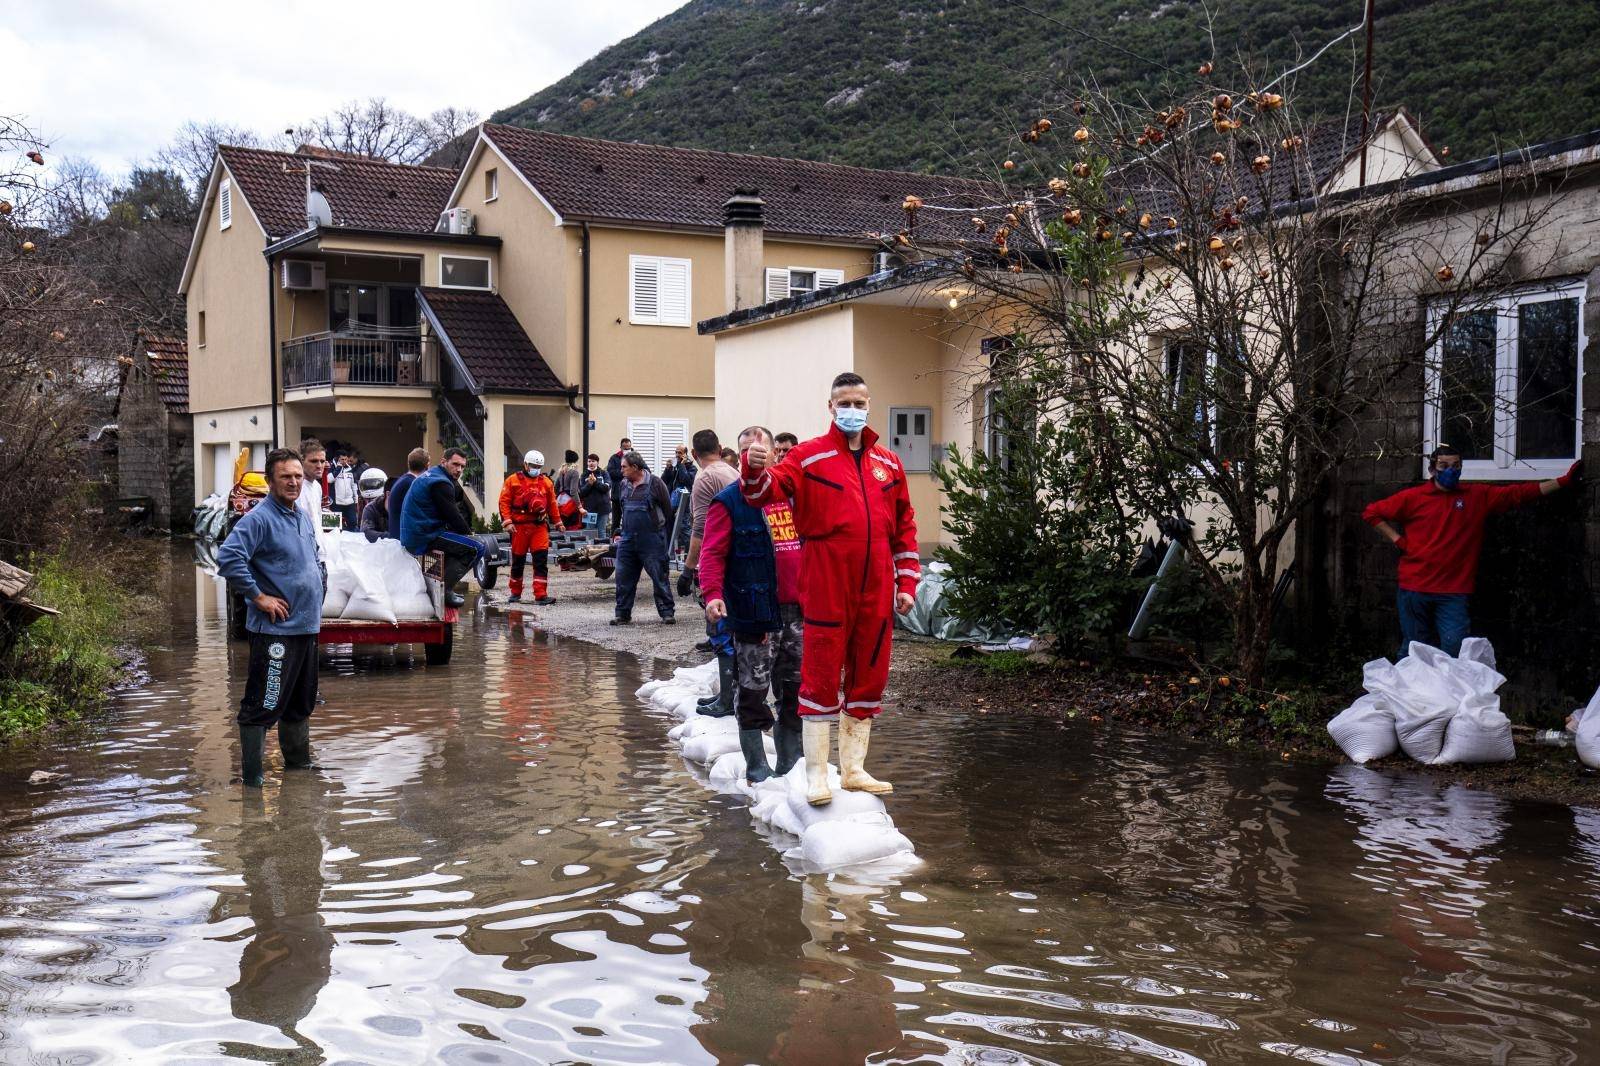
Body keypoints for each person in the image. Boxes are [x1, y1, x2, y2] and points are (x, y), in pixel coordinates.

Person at [743, 372, 920, 807]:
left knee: (870, 671)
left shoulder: (890, 464)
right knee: (820, 671)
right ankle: (817, 774)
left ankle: (855, 770)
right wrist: (753, 464)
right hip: (825, 574)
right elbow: (762, 493)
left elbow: (905, 527)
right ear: (830, 407)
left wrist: (907, 581)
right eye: (845, 402)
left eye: (860, 402)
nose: (853, 410)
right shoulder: (807, 457)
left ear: (869, 404)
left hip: (876, 581)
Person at [1363, 444, 1579, 657]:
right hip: (1414, 587)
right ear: (1432, 469)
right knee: (1414, 648)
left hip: (1453, 591)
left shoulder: (1476, 496)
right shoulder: (1413, 497)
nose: (1450, 471)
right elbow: (1371, 513)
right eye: (1443, 465)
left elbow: (1519, 493)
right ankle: (1404, 692)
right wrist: (1399, 540)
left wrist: (1562, 481)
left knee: (1455, 646)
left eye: (1456, 465)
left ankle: (1445, 691)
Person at [700, 425, 805, 784]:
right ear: (738, 454)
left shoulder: (794, 496)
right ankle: (758, 768)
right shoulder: (729, 501)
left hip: (798, 611)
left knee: (795, 690)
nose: (754, 455)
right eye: (747, 449)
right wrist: (712, 594)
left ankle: (792, 762)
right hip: (755, 611)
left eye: (761, 449)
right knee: (753, 691)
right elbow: (712, 553)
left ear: (776, 453)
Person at [216, 447, 324, 788]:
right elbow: (229, 558)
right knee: (263, 705)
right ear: (270, 480)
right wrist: (259, 597)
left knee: (299, 704)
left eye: (296, 476)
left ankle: (298, 770)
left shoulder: (301, 516)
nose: (293, 483)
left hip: (306, 628)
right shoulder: (259, 519)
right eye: (285, 477)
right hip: (277, 632)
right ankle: (253, 781)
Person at [676, 430, 741, 715]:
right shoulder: (732, 472)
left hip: (724, 562)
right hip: (745, 559)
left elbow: (701, 531)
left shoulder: (704, 479)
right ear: (721, 447)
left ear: (694, 455)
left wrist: (688, 570)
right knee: (741, 632)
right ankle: (739, 697)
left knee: (720, 629)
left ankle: (727, 700)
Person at [399, 447, 482, 608]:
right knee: (476, 548)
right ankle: (444, 590)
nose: (459, 469)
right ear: (444, 462)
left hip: (417, 532)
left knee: (462, 545)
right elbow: (453, 517)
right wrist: (469, 535)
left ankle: (442, 586)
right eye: (455, 464)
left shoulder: (432, 476)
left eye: (462, 466)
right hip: (423, 535)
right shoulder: (441, 483)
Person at [611, 450, 676, 626]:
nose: (621, 470)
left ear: (635, 467)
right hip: (627, 539)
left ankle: (667, 613)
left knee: (659, 577)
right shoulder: (623, 484)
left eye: (624, 467)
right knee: (623, 577)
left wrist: (664, 537)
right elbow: (619, 508)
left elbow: (668, 511)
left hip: (652, 539)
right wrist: (617, 531)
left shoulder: (655, 483)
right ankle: (622, 614)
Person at [499, 449, 561, 605]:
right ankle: (515, 592)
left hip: (539, 526)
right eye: (533, 465)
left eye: (538, 466)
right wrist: (508, 522)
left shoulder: (546, 482)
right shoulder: (512, 481)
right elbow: (504, 502)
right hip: (519, 527)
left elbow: (552, 503)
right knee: (518, 561)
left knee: (540, 560)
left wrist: (558, 522)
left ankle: (541, 594)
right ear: (525, 464)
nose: (536, 469)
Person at [387, 448, 429, 532]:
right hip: (402, 538)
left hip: (397, 533)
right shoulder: (412, 484)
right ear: (427, 465)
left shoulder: (403, 480)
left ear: (408, 464)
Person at [296, 438, 328, 537]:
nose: (319, 466)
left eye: (322, 461)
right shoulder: (296, 489)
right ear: (301, 461)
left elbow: (316, 520)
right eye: (314, 461)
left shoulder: (317, 486)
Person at [554, 449, 586, 530]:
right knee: (572, 526)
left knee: (562, 525)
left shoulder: (561, 471)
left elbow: (555, 487)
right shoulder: (574, 472)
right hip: (570, 502)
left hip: (560, 500)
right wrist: (580, 506)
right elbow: (573, 491)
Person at [579, 453, 611, 530]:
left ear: (597, 462)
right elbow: (581, 493)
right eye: (589, 461)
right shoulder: (584, 475)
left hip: (603, 508)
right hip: (589, 510)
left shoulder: (604, 473)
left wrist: (595, 482)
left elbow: (606, 488)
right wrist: (589, 484)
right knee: (590, 532)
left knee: (602, 532)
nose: (591, 463)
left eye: (593, 461)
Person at [607, 437, 632, 535]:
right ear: (621, 447)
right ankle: (614, 541)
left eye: (628, 447)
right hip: (617, 494)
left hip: (631, 495)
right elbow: (611, 472)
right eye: (625, 448)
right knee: (616, 521)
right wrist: (626, 472)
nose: (626, 450)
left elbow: (644, 470)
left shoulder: (636, 457)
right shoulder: (614, 458)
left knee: (629, 520)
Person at [357, 467, 390, 541]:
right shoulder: (366, 506)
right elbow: (366, 532)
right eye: (366, 485)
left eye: (374, 484)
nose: (370, 488)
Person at [329, 452, 359, 530]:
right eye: (342, 459)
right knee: (335, 527)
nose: (344, 461)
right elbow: (329, 480)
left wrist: (356, 499)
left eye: (346, 459)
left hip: (349, 501)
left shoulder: (350, 469)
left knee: (353, 522)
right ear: (337, 459)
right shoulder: (331, 466)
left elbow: (353, 485)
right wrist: (338, 468)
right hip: (336, 502)